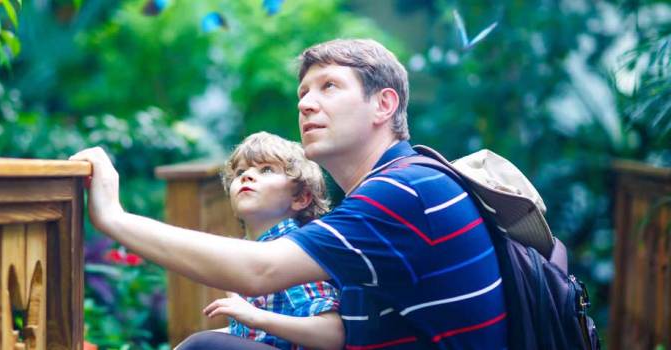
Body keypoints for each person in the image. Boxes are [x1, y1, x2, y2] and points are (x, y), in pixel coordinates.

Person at [72, 38, 508, 349]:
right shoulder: (393, 185)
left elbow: (260, 270)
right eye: (303, 93)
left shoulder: (403, 189)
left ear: (384, 105)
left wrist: (113, 216)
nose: (305, 104)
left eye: (329, 87)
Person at [175, 132, 343, 350]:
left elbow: (332, 335)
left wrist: (254, 316)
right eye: (240, 172)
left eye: (266, 170)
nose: (247, 176)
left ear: (300, 198)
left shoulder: (293, 250)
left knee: (201, 344)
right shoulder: (250, 251)